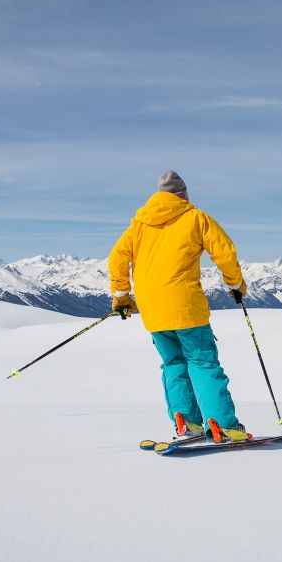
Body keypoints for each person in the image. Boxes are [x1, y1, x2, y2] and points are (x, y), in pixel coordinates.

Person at [109, 170, 250, 443]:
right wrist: (235, 284)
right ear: (182, 195)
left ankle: (188, 423)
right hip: (186, 306)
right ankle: (223, 426)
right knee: (203, 362)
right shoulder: (195, 218)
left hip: (153, 310)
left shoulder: (139, 224)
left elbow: (117, 257)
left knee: (173, 363)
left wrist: (122, 296)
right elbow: (224, 252)